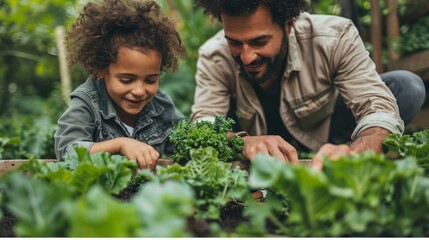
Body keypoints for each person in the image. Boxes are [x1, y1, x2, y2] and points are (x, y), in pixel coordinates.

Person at [191, 0, 426, 170]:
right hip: (257, 147)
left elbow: (376, 105)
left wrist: (359, 150)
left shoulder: (334, 36)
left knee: (407, 87)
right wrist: (242, 142)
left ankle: (334, 155)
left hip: (325, 130)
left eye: (259, 41)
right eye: (234, 42)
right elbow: (204, 124)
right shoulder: (214, 55)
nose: (247, 57)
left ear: (288, 24)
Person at [54, 0, 186, 170]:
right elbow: (67, 151)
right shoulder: (87, 103)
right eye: (127, 80)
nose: (139, 91)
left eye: (150, 80)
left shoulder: (162, 105)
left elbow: (187, 140)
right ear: (101, 70)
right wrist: (120, 144)